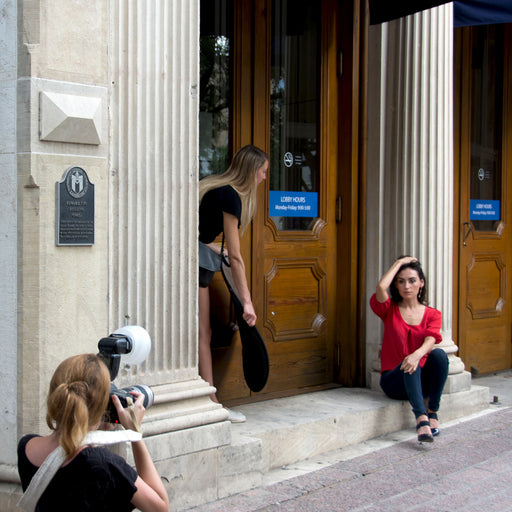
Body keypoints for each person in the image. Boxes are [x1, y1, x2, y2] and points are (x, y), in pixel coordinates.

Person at [17, 354, 170, 511]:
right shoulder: (103, 463)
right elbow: (160, 507)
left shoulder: (26, 446)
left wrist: (97, 423)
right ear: (103, 406)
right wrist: (135, 433)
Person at [198, 144, 269, 423]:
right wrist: (247, 302)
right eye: (262, 172)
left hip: (192, 263)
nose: (264, 178)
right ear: (251, 171)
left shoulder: (217, 188)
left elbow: (199, 233)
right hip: (195, 269)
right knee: (204, 333)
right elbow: (238, 258)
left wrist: (217, 250)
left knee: (205, 332)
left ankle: (209, 398)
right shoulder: (231, 196)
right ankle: (211, 402)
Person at [370, 256, 449, 443]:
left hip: (420, 382)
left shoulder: (433, 314)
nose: (407, 286)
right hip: (394, 381)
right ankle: (421, 418)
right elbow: (381, 288)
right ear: (396, 285)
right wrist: (398, 263)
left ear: (421, 283)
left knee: (439, 355)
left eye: (412, 281)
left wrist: (416, 355)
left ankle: (433, 411)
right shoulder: (389, 309)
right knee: (409, 364)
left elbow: (431, 339)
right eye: (401, 281)